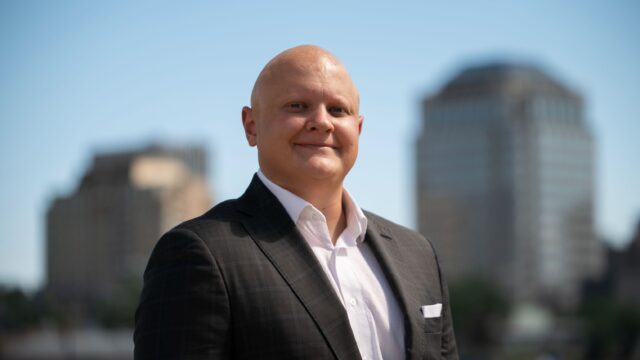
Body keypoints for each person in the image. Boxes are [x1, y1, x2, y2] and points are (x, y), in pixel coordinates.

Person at [134, 45, 458, 360]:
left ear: (358, 129)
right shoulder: (198, 253)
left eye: (338, 110)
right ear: (251, 126)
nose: (322, 122)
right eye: (297, 106)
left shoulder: (418, 254)